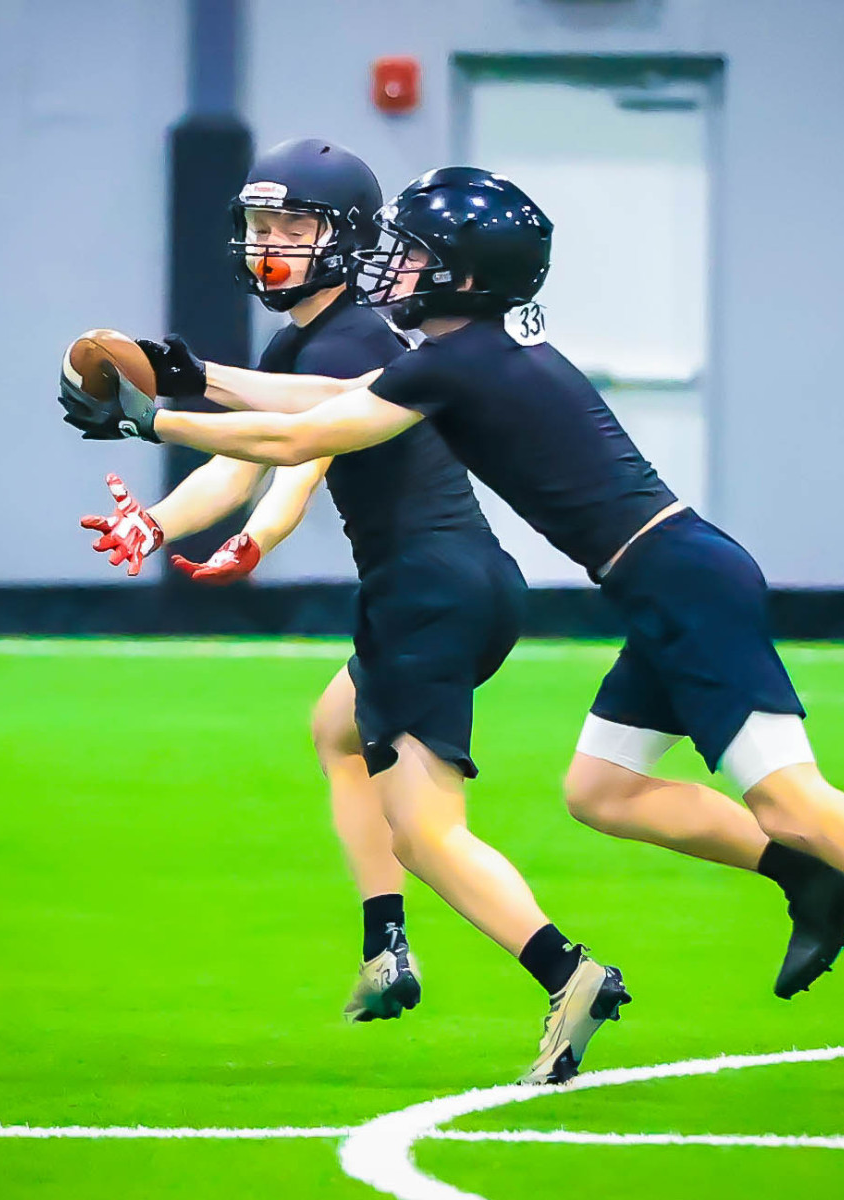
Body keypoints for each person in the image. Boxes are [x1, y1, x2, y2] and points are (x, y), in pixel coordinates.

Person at [61, 165, 844, 1025]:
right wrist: (190, 375)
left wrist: (152, 422)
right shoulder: (462, 357)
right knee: (601, 793)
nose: (391, 267)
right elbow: (322, 402)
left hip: (684, 585)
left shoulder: (454, 363)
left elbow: (300, 435)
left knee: (791, 797)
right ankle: (810, 878)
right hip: (664, 581)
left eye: (413, 254)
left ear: (460, 275)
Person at [63, 140, 629, 1083]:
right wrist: (156, 525)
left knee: (427, 832)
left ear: (348, 239)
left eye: (294, 227)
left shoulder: (352, 339)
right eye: (260, 225)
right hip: (461, 583)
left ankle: (570, 973)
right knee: (336, 726)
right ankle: (385, 945)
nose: (270, 244)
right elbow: (254, 458)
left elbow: (300, 439)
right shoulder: (313, 340)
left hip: (424, 595)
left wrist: (168, 424)